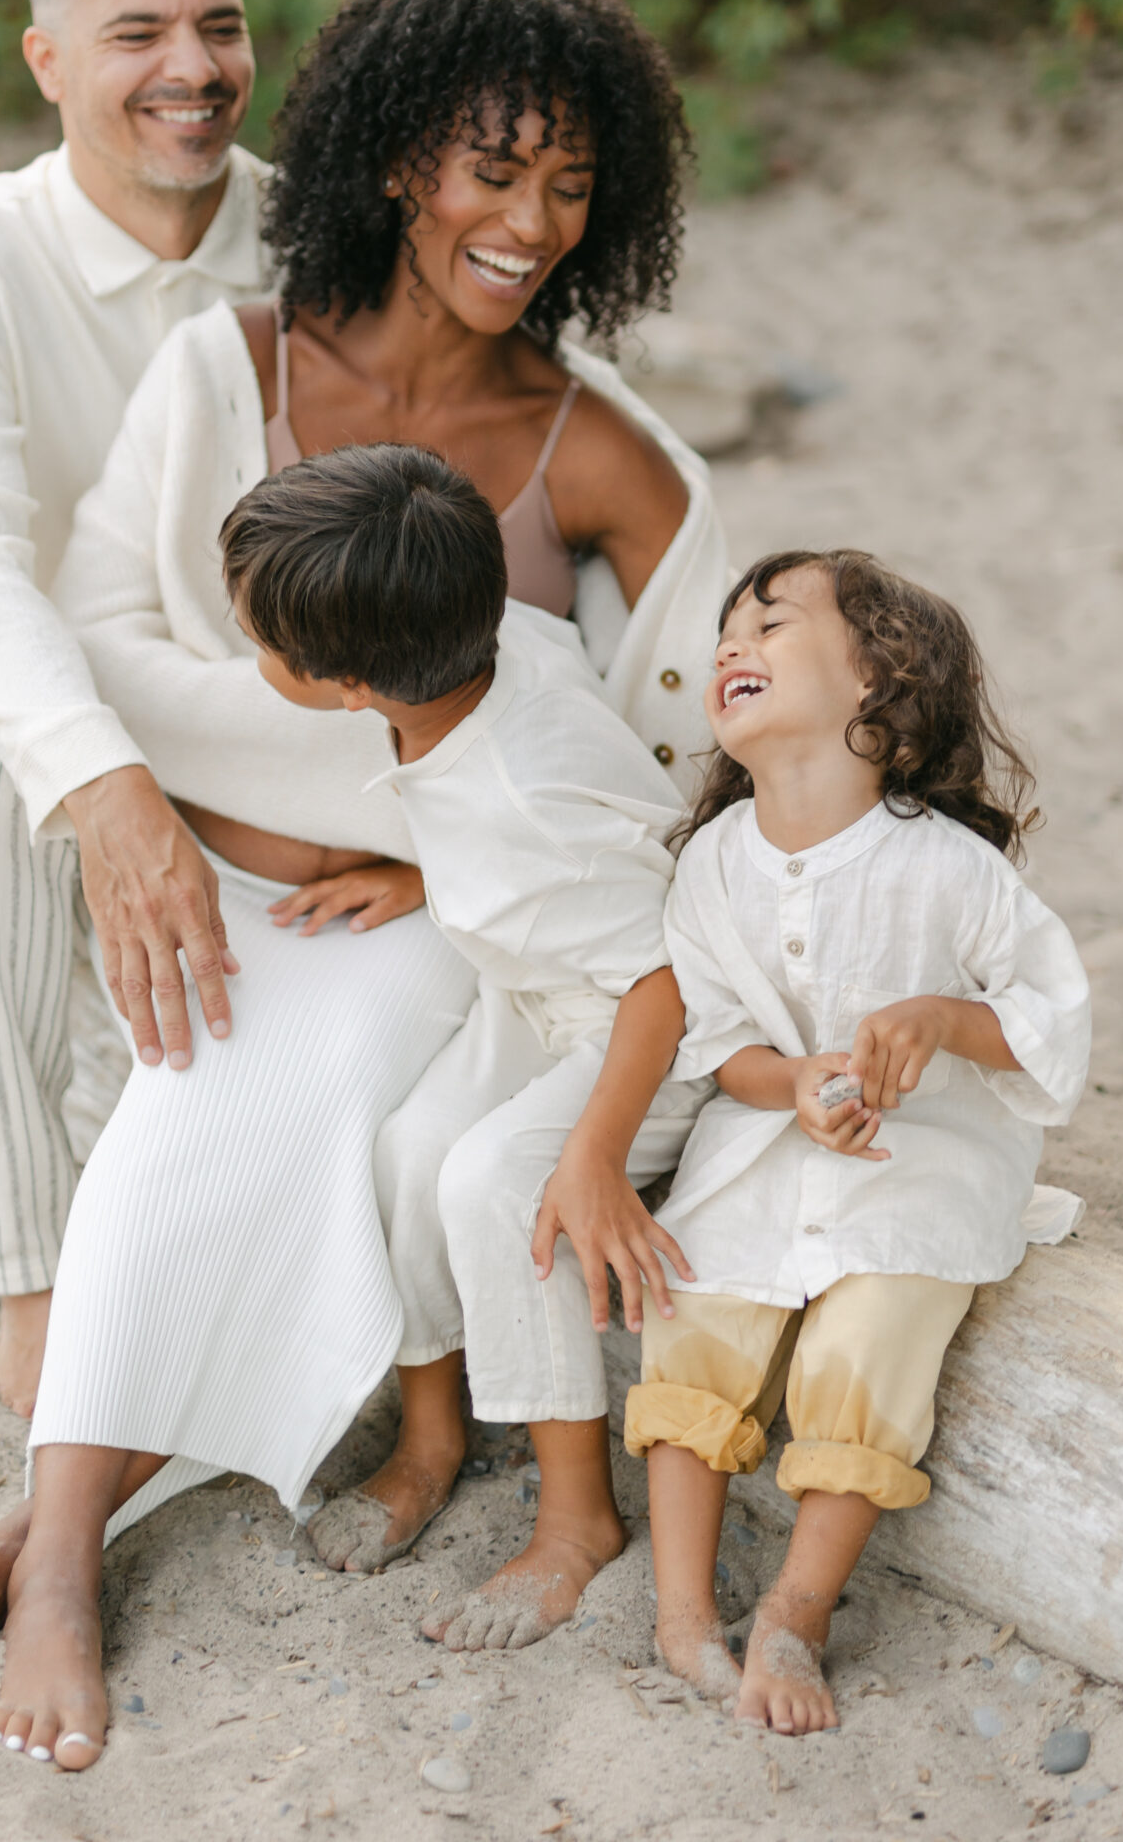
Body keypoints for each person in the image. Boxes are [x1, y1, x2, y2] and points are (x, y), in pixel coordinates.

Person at [0, 0, 731, 1771]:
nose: (527, 222)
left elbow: (676, 781)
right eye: (490, 169)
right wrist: (331, 783)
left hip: (441, 924)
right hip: (200, 872)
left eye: (570, 185)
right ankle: (63, 1534)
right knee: (185, 1123)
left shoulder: (608, 460)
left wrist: (435, 864)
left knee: (273, 1127)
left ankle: (52, 1540)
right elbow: (98, 642)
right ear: (390, 163)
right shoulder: (234, 365)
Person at [0, 0, 270, 1415]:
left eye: (220, 26)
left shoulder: (318, 247)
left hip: (260, 721)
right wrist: (110, 795)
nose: (191, 67)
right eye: (137, 34)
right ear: (46, 63)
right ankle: (30, 1269)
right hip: (41, 723)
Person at [218, 447, 708, 1645]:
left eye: (262, 644)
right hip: (547, 982)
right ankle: (434, 1435)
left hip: (649, 1032)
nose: (250, 653)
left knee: (495, 1182)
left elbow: (665, 981)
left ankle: (577, 1519)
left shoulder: (522, 809)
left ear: (344, 686)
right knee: (406, 1152)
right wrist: (426, 866)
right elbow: (508, 812)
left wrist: (592, 1154)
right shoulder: (497, 647)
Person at [622, 549, 1091, 1733]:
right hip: (772, 1141)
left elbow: (1049, 1022)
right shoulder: (714, 868)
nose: (734, 645)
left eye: (771, 624)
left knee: (874, 1336)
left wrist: (938, 1019)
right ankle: (682, 1611)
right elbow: (722, 1044)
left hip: (920, 1157)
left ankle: (797, 1606)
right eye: (728, 631)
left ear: (879, 678)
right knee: (693, 1307)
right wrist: (795, 1081)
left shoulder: (948, 866)